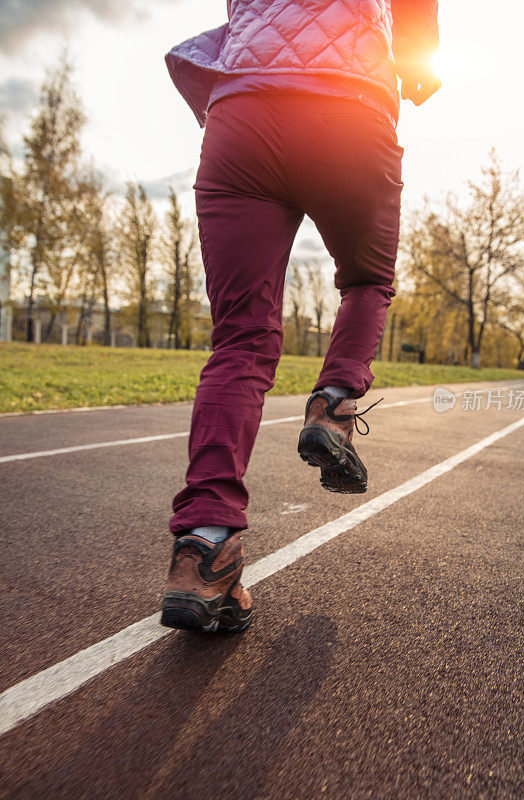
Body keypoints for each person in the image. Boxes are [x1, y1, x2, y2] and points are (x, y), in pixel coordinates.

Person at [160, 0, 440, 634]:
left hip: (243, 115)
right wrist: (421, 58)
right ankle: (334, 405)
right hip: (348, 108)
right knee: (367, 279)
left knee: (239, 341)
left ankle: (203, 548)